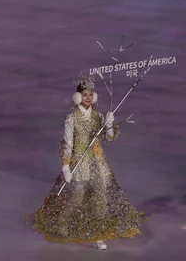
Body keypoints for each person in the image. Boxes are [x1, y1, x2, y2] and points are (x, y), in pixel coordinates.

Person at [32, 77, 146, 250]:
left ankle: (97, 235)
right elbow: (67, 144)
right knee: (77, 198)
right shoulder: (71, 118)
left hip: (98, 163)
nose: (88, 97)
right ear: (78, 97)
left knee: (100, 198)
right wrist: (65, 166)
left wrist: (108, 125)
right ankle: (63, 222)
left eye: (90, 94)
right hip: (80, 162)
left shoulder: (98, 116)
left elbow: (109, 139)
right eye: (84, 94)